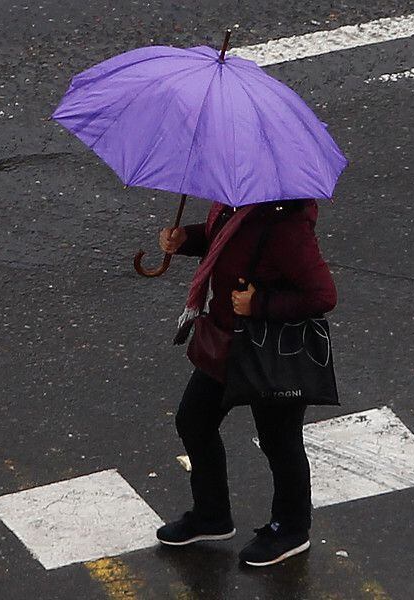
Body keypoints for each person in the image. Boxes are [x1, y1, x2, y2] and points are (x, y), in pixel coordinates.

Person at [155, 198, 337, 567]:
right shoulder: (234, 208)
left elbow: (322, 294)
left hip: (269, 352)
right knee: (194, 420)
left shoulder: (287, 228)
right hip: (227, 342)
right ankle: (212, 515)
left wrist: (260, 304)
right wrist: (185, 239)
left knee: (279, 440)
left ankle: (291, 529)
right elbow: (222, 241)